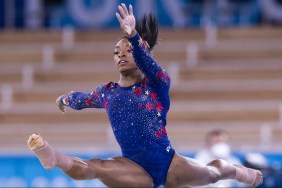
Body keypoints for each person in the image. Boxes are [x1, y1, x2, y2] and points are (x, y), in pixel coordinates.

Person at [27, 3, 263, 188]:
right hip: (132, 167)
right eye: (116, 52)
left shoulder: (157, 83)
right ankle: (54, 157)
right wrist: (64, 99)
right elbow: (84, 99)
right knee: (95, 167)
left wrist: (133, 38)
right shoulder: (109, 93)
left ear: (142, 53)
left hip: (170, 165)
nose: (121, 55)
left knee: (213, 175)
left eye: (127, 51)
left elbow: (146, 62)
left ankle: (239, 171)